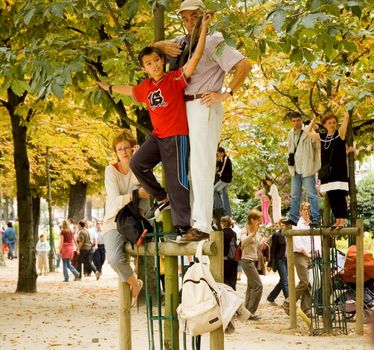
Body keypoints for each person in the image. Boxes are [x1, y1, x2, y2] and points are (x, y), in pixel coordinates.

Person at [98, 13, 212, 240]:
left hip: (177, 138)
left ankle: (183, 227)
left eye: (157, 60)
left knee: (177, 181)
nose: (155, 65)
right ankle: (162, 198)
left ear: (163, 61)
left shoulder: (174, 79)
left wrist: (204, 30)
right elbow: (128, 90)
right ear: (144, 69)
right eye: (149, 64)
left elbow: (195, 59)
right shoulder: (146, 87)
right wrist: (107, 86)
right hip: (158, 137)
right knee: (137, 163)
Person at [155, 0, 251, 241]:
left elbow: (244, 64)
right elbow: (149, 57)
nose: (189, 23)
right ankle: (187, 223)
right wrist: (158, 44)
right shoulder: (181, 42)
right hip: (181, 106)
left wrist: (226, 93)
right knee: (185, 165)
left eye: (194, 17)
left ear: (203, 17)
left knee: (201, 165)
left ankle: (202, 226)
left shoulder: (214, 40)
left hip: (203, 104)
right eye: (185, 18)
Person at [101, 129, 150, 307]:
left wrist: (139, 160)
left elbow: (148, 190)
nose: (123, 152)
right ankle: (135, 283)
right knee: (114, 258)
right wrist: (134, 195)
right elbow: (114, 202)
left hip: (134, 220)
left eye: (127, 148)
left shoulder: (138, 168)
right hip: (114, 221)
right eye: (119, 149)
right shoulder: (111, 171)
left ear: (133, 148)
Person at [305, 109, 350, 228]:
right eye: (329, 123)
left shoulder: (339, 134)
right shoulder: (323, 137)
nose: (332, 125)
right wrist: (314, 119)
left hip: (339, 171)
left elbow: (346, 118)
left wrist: (343, 107)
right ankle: (337, 220)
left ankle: (342, 220)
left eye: (334, 122)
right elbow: (308, 132)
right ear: (325, 124)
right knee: (332, 196)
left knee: (340, 196)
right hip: (327, 173)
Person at [282, 202, 321, 317]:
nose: (306, 211)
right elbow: (297, 242)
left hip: (311, 255)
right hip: (300, 255)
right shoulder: (297, 224)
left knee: (308, 284)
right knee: (304, 282)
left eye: (308, 209)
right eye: (304, 209)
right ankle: (288, 302)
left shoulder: (313, 224)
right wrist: (307, 253)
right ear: (300, 211)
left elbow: (317, 239)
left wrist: (316, 252)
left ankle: (307, 309)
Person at [283, 111, 321, 226]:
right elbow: (290, 149)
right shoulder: (290, 133)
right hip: (295, 168)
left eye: (298, 120)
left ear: (302, 119)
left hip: (307, 168)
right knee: (295, 195)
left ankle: (316, 219)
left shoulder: (309, 130)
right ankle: (293, 218)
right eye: (293, 121)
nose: (296, 123)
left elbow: (318, 146)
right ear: (291, 122)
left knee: (312, 195)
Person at [240, 209, 263, 320]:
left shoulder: (256, 231)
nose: (260, 222)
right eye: (258, 220)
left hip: (252, 261)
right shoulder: (245, 230)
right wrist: (253, 233)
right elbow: (243, 242)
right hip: (246, 260)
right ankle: (251, 312)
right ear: (252, 219)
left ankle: (246, 312)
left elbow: (256, 244)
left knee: (251, 287)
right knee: (258, 286)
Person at [267, 222, 288, 305]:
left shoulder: (289, 235)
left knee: (282, 281)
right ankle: (288, 301)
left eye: (285, 225)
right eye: (282, 225)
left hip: (287, 260)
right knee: (285, 281)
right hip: (280, 260)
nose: (284, 227)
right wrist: (270, 263)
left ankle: (271, 297)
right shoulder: (277, 235)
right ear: (280, 226)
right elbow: (272, 250)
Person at [214, 147, 233, 217]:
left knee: (214, 190)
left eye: (219, 153)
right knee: (225, 196)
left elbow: (222, 170)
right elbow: (219, 167)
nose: (218, 155)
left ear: (222, 153)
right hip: (225, 179)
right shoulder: (221, 159)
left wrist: (216, 172)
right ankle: (229, 214)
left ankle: (219, 206)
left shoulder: (226, 158)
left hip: (225, 180)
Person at [221, 216, 238, 290]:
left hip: (224, 259)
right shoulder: (234, 233)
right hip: (233, 259)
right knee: (232, 279)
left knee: (224, 279)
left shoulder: (221, 233)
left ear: (223, 223)